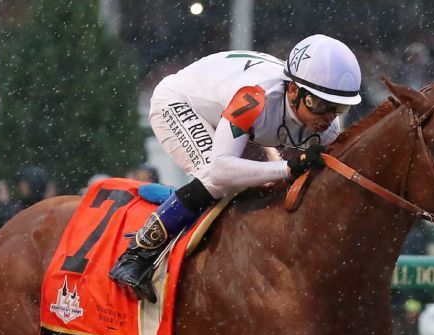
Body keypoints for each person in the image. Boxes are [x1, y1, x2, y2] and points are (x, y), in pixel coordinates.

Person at [110, 34, 361, 301]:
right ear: (292, 90)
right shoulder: (253, 96)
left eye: (339, 108)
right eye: (319, 105)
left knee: (267, 185)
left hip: (239, 122)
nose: (327, 118)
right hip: (180, 102)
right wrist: (287, 167)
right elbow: (221, 168)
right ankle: (137, 253)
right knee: (217, 180)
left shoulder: (326, 124)